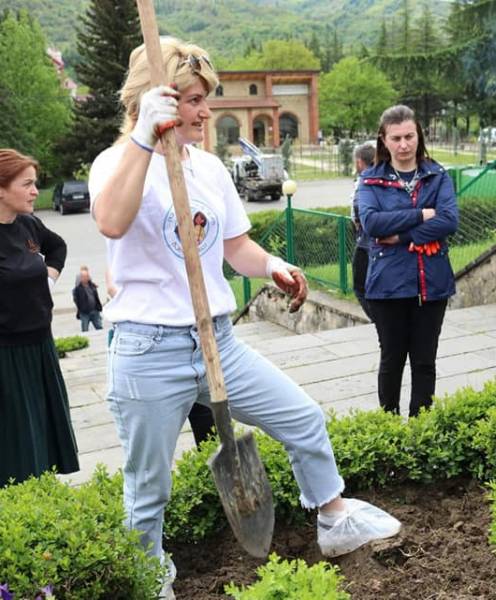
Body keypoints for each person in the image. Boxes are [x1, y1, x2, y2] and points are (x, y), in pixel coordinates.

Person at [89, 37, 400, 598]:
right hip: (147, 349)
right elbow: (111, 222)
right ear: (150, 99)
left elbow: (236, 247)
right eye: (190, 100)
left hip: (219, 341)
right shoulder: (116, 163)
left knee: (304, 419)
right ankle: (149, 575)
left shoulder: (207, 168)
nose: (205, 111)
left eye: (205, 98)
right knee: (148, 486)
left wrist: (273, 265)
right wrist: (142, 139)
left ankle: (333, 520)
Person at [358, 105, 459, 417]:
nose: (404, 145)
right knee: (392, 359)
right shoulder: (370, 180)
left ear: (419, 136)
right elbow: (372, 223)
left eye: (409, 136)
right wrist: (421, 215)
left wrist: (403, 236)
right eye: (396, 138)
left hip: (432, 283)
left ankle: (421, 427)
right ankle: (389, 428)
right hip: (388, 284)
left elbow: (448, 220)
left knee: (425, 360)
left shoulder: (437, 175)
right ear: (384, 140)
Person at [0, 149, 79, 486]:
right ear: (1, 189)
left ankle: (42, 500)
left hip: (41, 349)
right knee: (15, 444)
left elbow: (57, 247)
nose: (36, 191)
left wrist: (49, 277)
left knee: (42, 438)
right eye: (27, 184)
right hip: (6, 356)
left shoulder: (29, 224)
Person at [105, 267, 215, 446]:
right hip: (150, 348)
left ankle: (210, 458)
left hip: (194, 340)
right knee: (155, 433)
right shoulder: (125, 254)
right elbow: (112, 287)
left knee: (205, 417)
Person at [350, 142, 376, 320]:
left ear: (359, 162)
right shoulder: (383, 176)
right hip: (372, 241)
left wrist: (359, 222)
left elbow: (359, 207)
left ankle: (379, 321)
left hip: (367, 242)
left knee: (360, 287)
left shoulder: (365, 179)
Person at [72, 265, 103, 331]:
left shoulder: (92, 286)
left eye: (87, 276)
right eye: (85, 277)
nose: (87, 278)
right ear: (81, 278)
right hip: (84, 312)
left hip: (94, 310)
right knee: (85, 329)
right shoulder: (78, 288)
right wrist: (81, 308)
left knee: (99, 327)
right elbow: (76, 299)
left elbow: (96, 296)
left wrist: (98, 307)